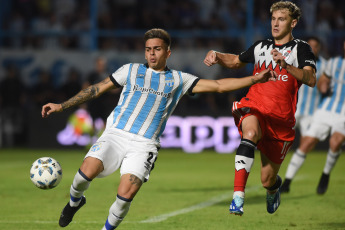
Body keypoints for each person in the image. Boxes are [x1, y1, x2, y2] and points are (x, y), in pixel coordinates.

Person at [41, 28, 276, 230]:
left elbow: (218, 86)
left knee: (125, 196)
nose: (151, 53)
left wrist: (254, 79)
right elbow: (95, 89)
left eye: (157, 49)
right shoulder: (130, 70)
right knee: (84, 174)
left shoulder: (178, 79)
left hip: (144, 145)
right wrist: (61, 106)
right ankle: (74, 203)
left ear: (167, 52)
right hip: (115, 135)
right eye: (148, 49)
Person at [203, 1, 316, 216]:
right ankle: (238, 197)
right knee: (250, 132)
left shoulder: (301, 48)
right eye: (273, 18)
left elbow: (310, 78)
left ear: (293, 23)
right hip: (255, 107)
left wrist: (286, 66)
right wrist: (217, 55)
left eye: (281, 19)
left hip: (281, 120)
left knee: (267, 179)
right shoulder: (260, 46)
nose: (275, 23)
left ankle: (274, 188)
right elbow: (236, 61)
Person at [280, 39, 345, 195]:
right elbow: (323, 81)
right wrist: (323, 87)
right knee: (306, 143)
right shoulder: (334, 63)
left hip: (336, 112)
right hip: (323, 109)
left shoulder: (323, 63)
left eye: (316, 46)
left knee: (335, 143)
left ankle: (325, 175)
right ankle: (286, 182)